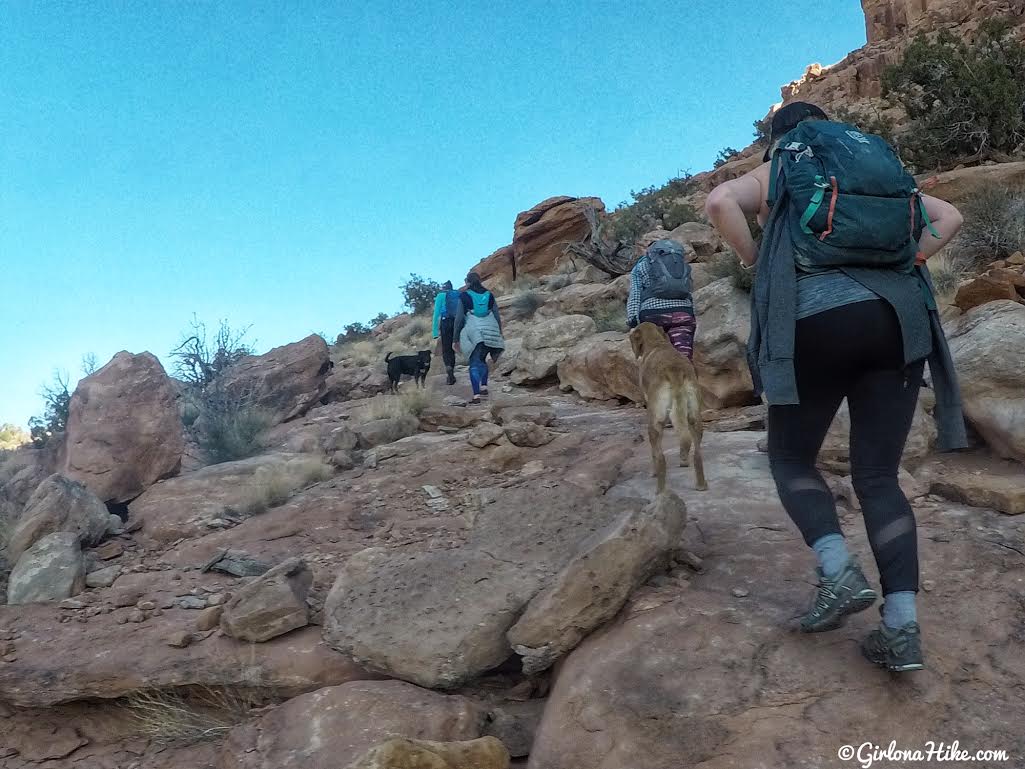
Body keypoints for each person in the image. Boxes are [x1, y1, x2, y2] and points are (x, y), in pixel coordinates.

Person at [705, 101, 967, 672]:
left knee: (792, 460)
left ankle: (837, 572)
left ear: (778, 137)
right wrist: (911, 259)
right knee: (877, 477)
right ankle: (902, 630)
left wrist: (757, 259)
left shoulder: (790, 158)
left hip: (817, 320)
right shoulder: (870, 163)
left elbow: (720, 201)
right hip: (899, 324)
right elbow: (950, 218)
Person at [626, 239, 696, 360]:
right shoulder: (680, 264)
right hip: (683, 313)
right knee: (684, 359)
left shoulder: (640, 266)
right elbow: (688, 290)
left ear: (649, 252)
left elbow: (635, 295)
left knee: (656, 359)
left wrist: (633, 320)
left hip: (653, 316)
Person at [453, 272, 504, 403]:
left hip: (475, 331)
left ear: (468, 282)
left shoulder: (464, 296)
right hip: (491, 330)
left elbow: (459, 318)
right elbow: (496, 315)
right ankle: (484, 386)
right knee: (482, 359)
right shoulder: (489, 295)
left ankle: (476, 396)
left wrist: (455, 337)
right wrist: (499, 332)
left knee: (474, 363)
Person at [432, 280, 462, 385]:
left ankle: (449, 369)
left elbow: (436, 314)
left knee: (447, 349)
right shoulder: (458, 294)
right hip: (457, 322)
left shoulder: (440, 296)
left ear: (444, 288)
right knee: (455, 346)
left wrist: (435, 332)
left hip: (445, 323)